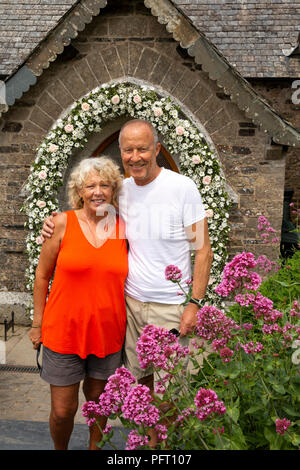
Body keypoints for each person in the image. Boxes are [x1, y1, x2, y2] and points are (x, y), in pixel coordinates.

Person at [42, 119, 213, 444]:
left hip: (170, 309)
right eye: (129, 150)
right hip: (130, 308)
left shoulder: (183, 188)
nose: (136, 156)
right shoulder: (120, 192)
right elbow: (86, 216)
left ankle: (162, 448)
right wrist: (53, 224)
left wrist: (194, 303)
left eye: (143, 149)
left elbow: (203, 248)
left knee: (169, 397)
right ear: (121, 153)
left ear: (157, 150)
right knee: (143, 393)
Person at [29, 157, 128, 450]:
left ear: (113, 190)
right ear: (80, 191)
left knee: (99, 408)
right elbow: (42, 276)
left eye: (105, 185)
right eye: (91, 185)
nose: (98, 191)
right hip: (64, 331)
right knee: (63, 411)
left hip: (108, 332)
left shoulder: (124, 228)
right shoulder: (60, 224)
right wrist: (37, 324)